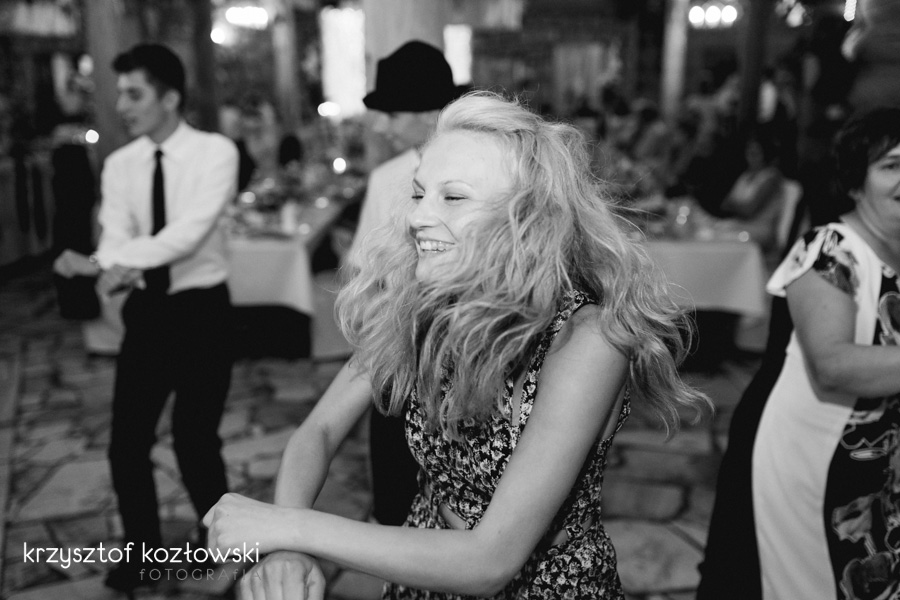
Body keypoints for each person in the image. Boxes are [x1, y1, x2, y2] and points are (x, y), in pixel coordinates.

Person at [203, 92, 710, 600]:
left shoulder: (585, 340)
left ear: (529, 217)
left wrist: (289, 528)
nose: (418, 217)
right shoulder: (421, 302)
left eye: (453, 197)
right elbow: (318, 430)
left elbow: (489, 562)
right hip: (423, 566)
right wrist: (287, 550)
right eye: (419, 193)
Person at [53, 43, 239, 592]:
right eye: (120, 95)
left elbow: (187, 235)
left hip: (203, 311)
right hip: (149, 314)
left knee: (195, 439)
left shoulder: (215, 152)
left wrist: (100, 264)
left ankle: (220, 546)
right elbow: (116, 233)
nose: (122, 107)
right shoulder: (120, 164)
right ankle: (141, 554)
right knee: (126, 444)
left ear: (170, 97)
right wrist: (112, 262)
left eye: (134, 94)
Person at [698, 107, 900, 600]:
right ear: (856, 182)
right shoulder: (831, 247)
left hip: (878, 469)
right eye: (891, 166)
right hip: (814, 461)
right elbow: (833, 365)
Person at [349, 40, 467, 528]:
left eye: (392, 113)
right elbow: (364, 270)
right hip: (401, 346)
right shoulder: (387, 178)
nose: (382, 125)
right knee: (396, 484)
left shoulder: (484, 175)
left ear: (427, 114)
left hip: (469, 347)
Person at [719, 135, 786, 266]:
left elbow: (750, 210)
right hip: (740, 224)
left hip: (760, 230)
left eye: (756, 153)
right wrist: (740, 206)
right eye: (749, 152)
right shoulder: (745, 176)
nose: (751, 156)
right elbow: (725, 204)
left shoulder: (771, 177)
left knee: (724, 235)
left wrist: (736, 205)